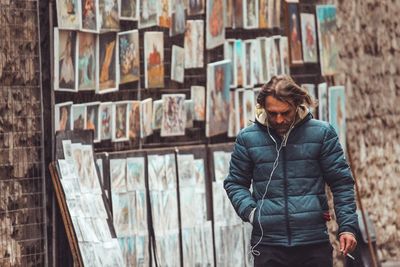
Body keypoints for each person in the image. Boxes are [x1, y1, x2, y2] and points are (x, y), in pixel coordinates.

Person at [224, 75, 359, 267]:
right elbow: (235, 183)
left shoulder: (322, 134)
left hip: (313, 242)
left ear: (297, 104)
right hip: (268, 244)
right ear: (262, 107)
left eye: (285, 113)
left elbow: (341, 182)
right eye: (272, 113)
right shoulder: (248, 139)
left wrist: (347, 228)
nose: (279, 119)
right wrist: (253, 213)